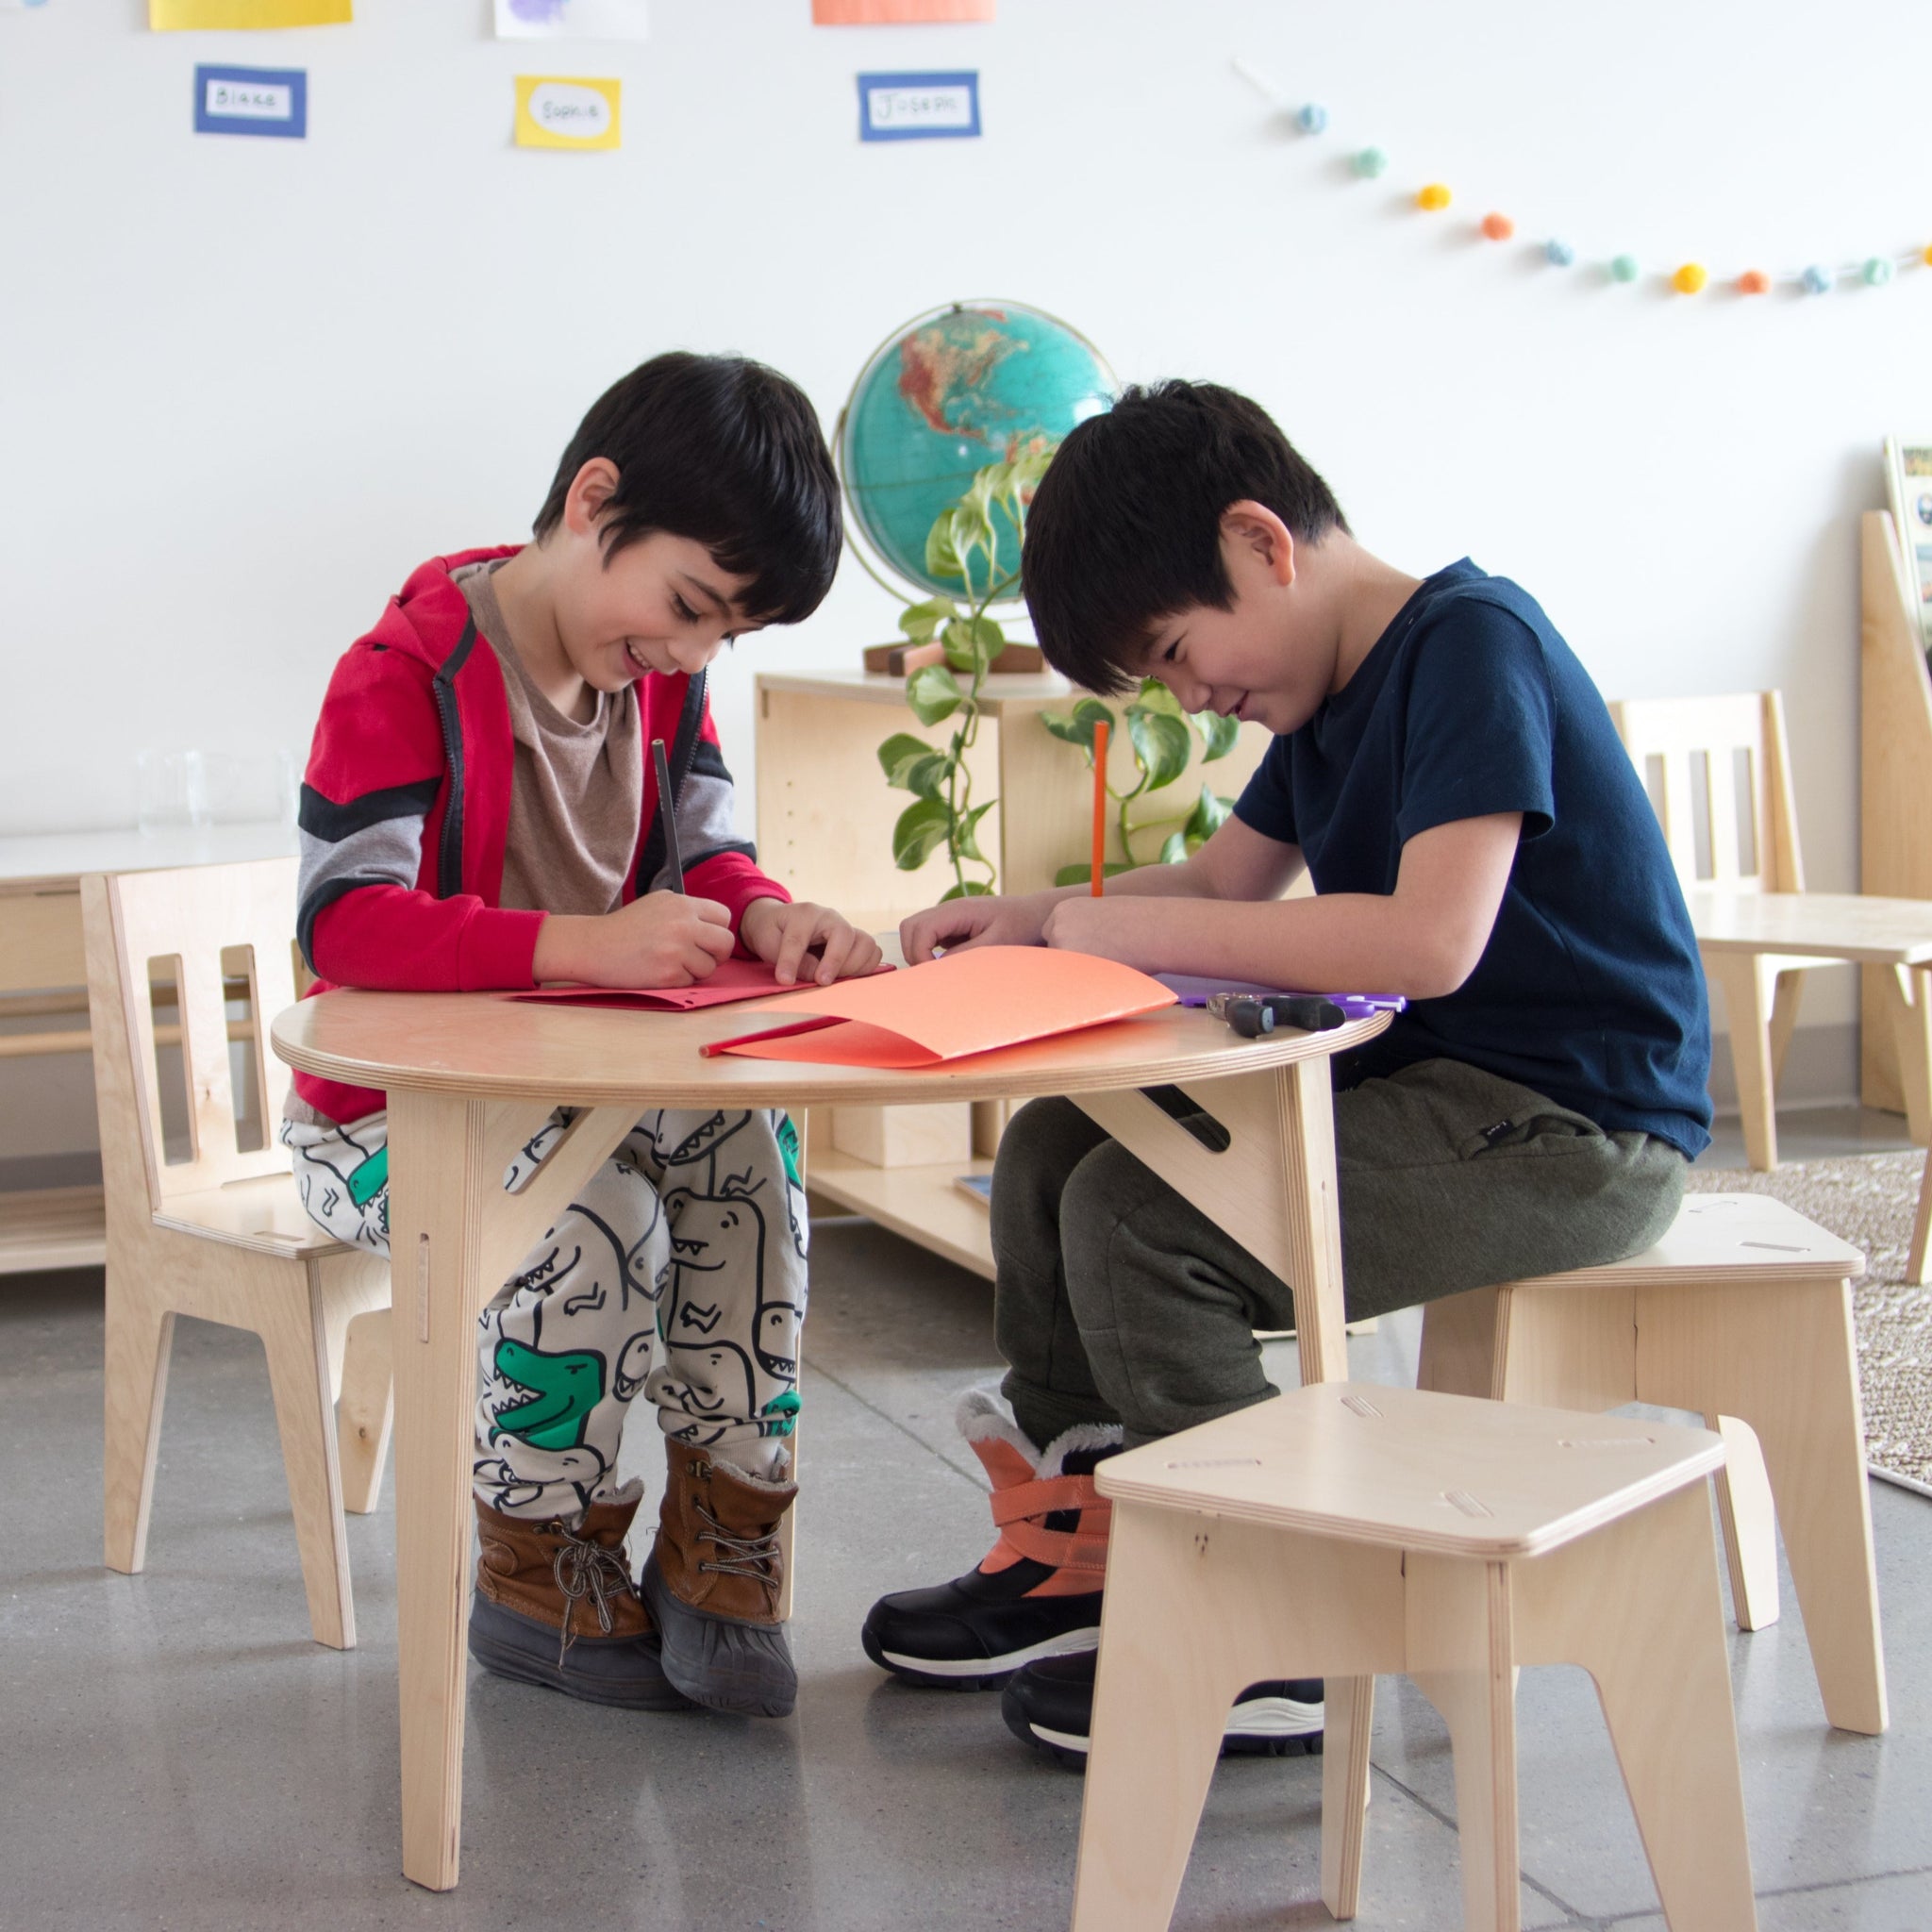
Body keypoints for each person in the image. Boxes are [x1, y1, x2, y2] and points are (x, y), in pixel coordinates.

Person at [861, 378, 1711, 1768]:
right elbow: (1219, 879)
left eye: (1181, 653)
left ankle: (1283, 1618)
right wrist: (1031, 916)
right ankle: (1095, 1549)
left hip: (1576, 1125)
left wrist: (1104, 928)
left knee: (1146, 1231)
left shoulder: (1469, 646)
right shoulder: (1319, 695)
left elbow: (1432, 940)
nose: (1194, 696)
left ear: (1264, 543)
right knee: (1057, 1151)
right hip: (1437, 1096)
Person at [283, 352, 881, 1722]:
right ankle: (537, 1559)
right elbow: (346, 927)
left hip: (595, 1094)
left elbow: (716, 862)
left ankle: (723, 1542)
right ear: (590, 501)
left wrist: (773, 918)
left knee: (755, 1155)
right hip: (384, 1131)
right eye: (688, 605)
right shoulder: (406, 669)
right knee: (594, 1213)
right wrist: (571, 944)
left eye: (728, 631)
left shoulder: (662, 677)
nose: (691, 651)